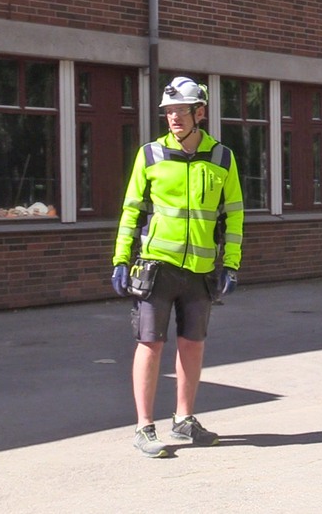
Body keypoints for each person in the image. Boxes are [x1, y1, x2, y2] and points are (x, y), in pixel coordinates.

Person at [111, 76, 244, 458]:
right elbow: (131, 210)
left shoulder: (222, 157)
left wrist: (230, 265)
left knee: (192, 345)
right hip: (157, 267)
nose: (173, 118)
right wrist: (121, 258)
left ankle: (184, 420)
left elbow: (234, 215)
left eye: (180, 111)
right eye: (168, 112)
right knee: (149, 343)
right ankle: (144, 426)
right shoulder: (151, 155)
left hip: (202, 270)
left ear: (199, 113)